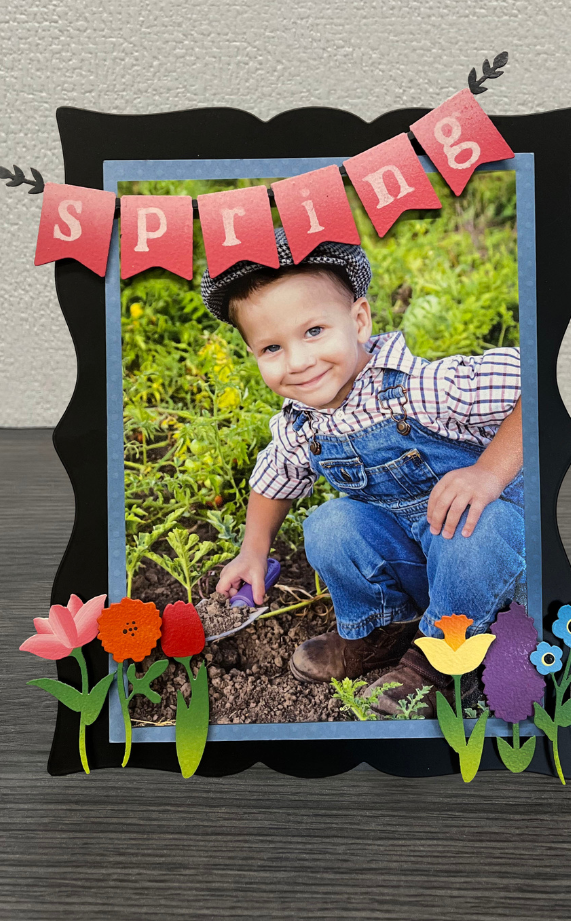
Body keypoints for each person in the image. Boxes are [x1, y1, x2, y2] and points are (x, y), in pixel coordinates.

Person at [207, 228, 525, 716]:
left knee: (474, 529)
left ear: (359, 320)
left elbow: (543, 383)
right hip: (423, 565)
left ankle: (442, 661)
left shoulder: (426, 387)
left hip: (496, 571)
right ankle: (384, 630)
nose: (299, 362)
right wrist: (253, 552)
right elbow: (273, 479)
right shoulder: (301, 424)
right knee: (329, 524)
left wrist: (487, 472)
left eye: (314, 331)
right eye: (271, 348)